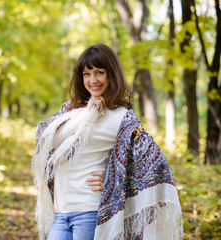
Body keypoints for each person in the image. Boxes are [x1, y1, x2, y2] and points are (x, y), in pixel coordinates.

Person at [31, 43, 184, 240]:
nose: (92, 80)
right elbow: (48, 141)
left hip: (90, 211)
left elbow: (155, 165)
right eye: (87, 74)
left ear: (111, 75)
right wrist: (89, 114)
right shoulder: (70, 112)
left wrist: (114, 180)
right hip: (61, 212)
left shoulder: (122, 117)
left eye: (99, 72)